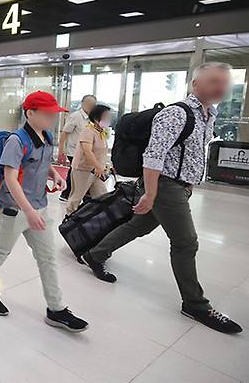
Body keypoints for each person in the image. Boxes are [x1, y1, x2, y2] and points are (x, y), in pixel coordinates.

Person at [80, 62, 242, 334]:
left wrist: (189, 184)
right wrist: (152, 193)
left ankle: (94, 254)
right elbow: (154, 155)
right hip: (165, 187)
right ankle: (195, 304)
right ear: (195, 84)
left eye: (225, 83)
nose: (220, 88)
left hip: (179, 186)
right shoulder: (176, 114)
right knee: (186, 242)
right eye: (214, 81)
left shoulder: (208, 114)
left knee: (138, 226)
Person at [0, 91, 89, 333]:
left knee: (47, 258)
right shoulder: (17, 141)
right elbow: (10, 178)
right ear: (30, 113)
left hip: (39, 208)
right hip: (14, 210)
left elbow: (43, 163)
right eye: (47, 114)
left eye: (53, 114)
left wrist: (56, 175)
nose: (52, 119)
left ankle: (56, 309)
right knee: (0, 250)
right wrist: (28, 210)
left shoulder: (46, 136)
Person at [65, 104, 112, 215]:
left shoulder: (102, 132)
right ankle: (68, 217)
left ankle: (98, 219)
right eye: (106, 117)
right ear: (96, 118)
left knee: (102, 195)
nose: (108, 120)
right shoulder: (88, 131)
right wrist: (97, 166)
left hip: (97, 170)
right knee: (77, 196)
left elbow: (102, 152)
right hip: (83, 169)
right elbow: (87, 151)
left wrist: (106, 165)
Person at [58, 95, 97, 202]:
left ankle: (71, 194)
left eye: (93, 104)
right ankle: (69, 194)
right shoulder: (76, 116)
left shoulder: (93, 118)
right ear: (82, 103)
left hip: (86, 151)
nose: (90, 106)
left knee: (77, 172)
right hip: (74, 151)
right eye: (88, 103)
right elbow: (64, 134)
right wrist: (61, 151)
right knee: (75, 172)